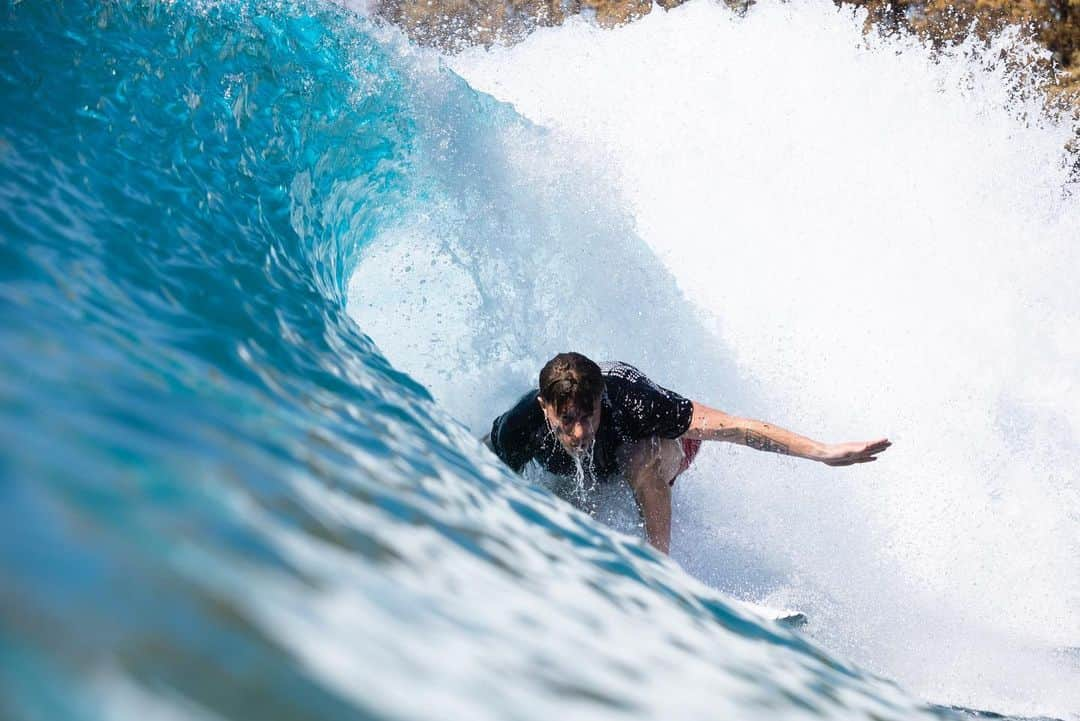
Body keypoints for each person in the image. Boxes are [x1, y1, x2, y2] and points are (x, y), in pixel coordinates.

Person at [485, 352, 890, 554]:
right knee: (566, 514)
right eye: (567, 420)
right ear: (545, 407)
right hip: (594, 463)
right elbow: (475, 464)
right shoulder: (522, 427)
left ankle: (660, 572)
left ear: (601, 401)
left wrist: (822, 452)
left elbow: (738, 429)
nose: (579, 432)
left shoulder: (635, 406)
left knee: (642, 459)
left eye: (587, 417)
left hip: (669, 449)